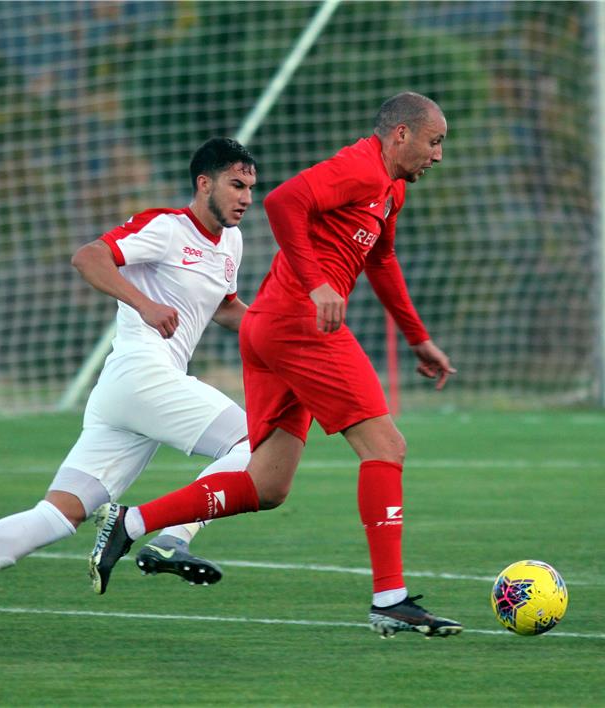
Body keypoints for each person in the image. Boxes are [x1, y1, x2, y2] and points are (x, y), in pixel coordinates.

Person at [88, 92, 463, 639]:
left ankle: (131, 522)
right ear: (400, 134)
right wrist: (316, 284)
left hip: (268, 327)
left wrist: (418, 338)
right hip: (297, 323)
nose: (437, 155)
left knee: (267, 486)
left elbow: (381, 260)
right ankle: (390, 598)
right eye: (434, 142)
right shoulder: (360, 166)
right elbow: (284, 201)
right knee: (387, 448)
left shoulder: (391, 191)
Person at [0, 137, 258, 636]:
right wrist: (144, 305)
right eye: (236, 184)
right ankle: (171, 537)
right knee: (254, 444)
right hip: (142, 374)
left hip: (129, 394)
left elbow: (223, 307)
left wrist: (283, 330)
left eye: (251, 188)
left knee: (59, 514)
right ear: (204, 183)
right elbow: (88, 257)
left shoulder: (231, 243)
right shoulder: (166, 228)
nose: (246, 197)